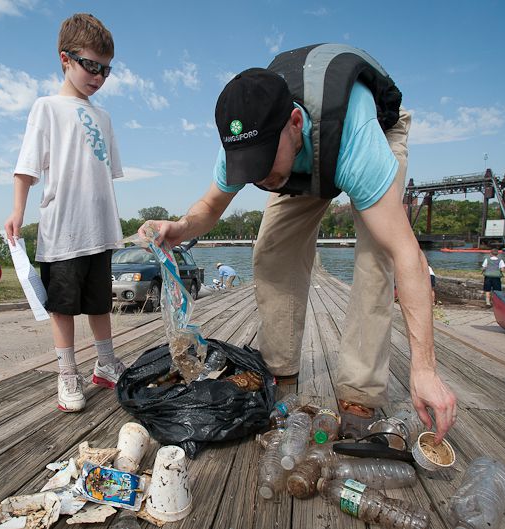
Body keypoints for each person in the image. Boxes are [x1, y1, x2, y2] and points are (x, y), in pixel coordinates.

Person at [140, 44, 456, 443]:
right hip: (303, 157)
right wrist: (180, 228)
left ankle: (360, 393)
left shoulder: (356, 142)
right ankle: (279, 370)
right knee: (271, 250)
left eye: (262, 162)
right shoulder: (251, 138)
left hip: (369, 130)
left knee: (377, 256)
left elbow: (406, 252)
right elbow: (210, 205)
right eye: (246, 166)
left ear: (293, 123)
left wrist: (424, 369)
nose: (257, 178)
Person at [4, 13, 125, 413]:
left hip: (100, 229)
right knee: (62, 306)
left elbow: (106, 174)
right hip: (62, 230)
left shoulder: (104, 118)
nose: (99, 76)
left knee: (100, 304)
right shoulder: (47, 108)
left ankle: (106, 364)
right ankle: (67, 372)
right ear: (65, 59)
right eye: (91, 65)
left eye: (106, 69)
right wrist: (17, 212)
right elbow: (26, 167)